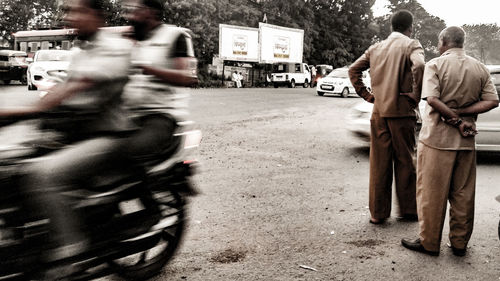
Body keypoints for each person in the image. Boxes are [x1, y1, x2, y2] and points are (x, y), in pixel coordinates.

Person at [0, 0, 133, 264]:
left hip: (105, 137)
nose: (68, 19)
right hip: (73, 134)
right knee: (9, 166)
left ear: (96, 14)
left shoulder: (115, 48)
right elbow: (60, 89)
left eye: (75, 11)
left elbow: (74, 89)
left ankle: (71, 245)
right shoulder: (82, 50)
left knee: (42, 175)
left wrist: (21, 113)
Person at [402, 26, 499, 256]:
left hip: (436, 140)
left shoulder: (435, 65)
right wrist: (465, 114)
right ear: (462, 42)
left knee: (431, 195)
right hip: (466, 142)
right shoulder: (480, 67)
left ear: (443, 41)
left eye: (438, 42)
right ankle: (459, 244)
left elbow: (433, 99)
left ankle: (429, 242)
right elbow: (492, 101)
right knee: (463, 195)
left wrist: (455, 118)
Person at [348, 10, 425, 224]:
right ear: (411, 27)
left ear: (391, 27)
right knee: (405, 161)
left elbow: (353, 70)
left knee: (379, 164)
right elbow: (419, 65)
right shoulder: (411, 45)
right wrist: (416, 96)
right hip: (402, 112)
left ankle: (378, 214)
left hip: (379, 112)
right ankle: (408, 210)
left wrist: (368, 95)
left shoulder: (376, 48)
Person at [122, 0, 197, 167]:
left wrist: (148, 69)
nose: (129, 15)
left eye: (135, 10)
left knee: (126, 153)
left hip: (161, 116)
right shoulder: (131, 38)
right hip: (127, 113)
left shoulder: (176, 35)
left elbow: (189, 77)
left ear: (150, 11)